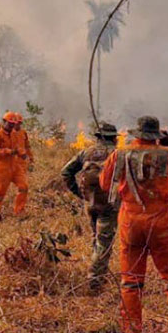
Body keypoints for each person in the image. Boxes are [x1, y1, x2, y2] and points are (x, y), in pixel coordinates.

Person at [100, 116, 168, 333]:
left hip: (130, 223)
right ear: (156, 135)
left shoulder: (119, 154)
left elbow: (104, 183)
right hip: (161, 224)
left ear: (136, 133)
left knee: (131, 281)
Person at [61, 121, 120, 294]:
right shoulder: (117, 154)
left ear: (98, 138)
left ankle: (100, 273)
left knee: (97, 238)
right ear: (113, 139)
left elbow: (66, 172)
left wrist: (79, 193)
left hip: (90, 203)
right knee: (104, 243)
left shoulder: (86, 152)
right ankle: (94, 280)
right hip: (108, 204)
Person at [0, 112, 29, 216]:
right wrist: (8, 151)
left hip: (15, 167)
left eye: (13, 124)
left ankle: (19, 211)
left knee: (23, 187)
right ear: (4, 122)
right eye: (10, 123)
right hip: (3, 169)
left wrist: (22, 154)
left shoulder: (14, 134)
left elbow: (18, 147)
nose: (12, 126)